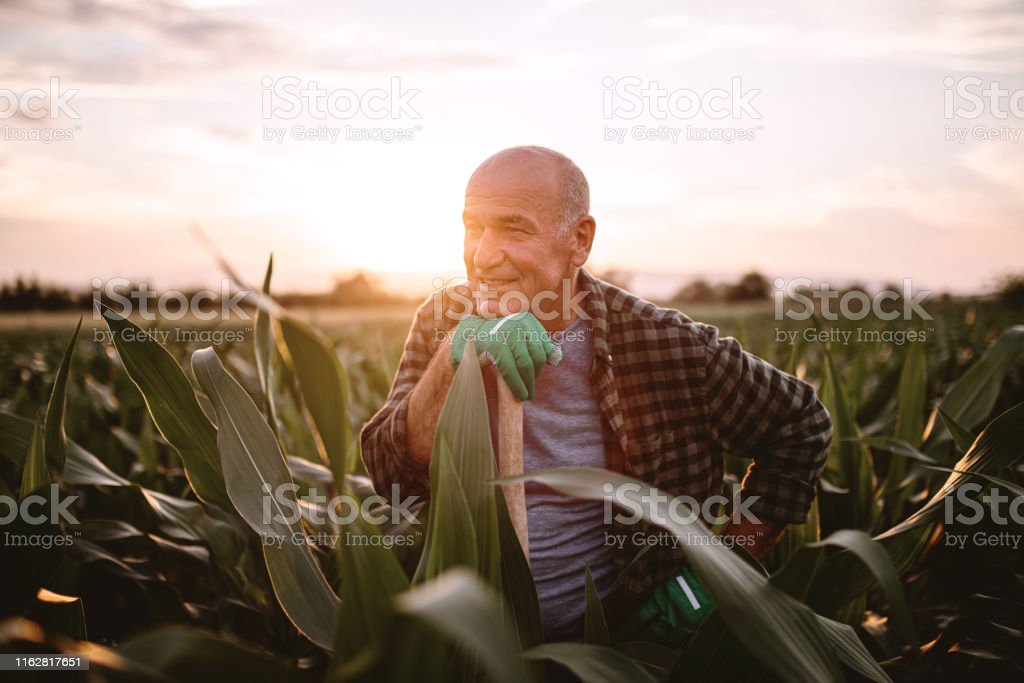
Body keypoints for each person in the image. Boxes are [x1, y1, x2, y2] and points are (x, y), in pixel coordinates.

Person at [360, 145, 833, 643]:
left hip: (621, 652)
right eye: (473, 226)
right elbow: (394, 473)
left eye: (514, 228)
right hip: (466, 645)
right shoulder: (442, 319)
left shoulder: (662, 343)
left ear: (579, 240)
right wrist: (459, 354)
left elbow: (800, 424)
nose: (482, 254)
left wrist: (718, 580)